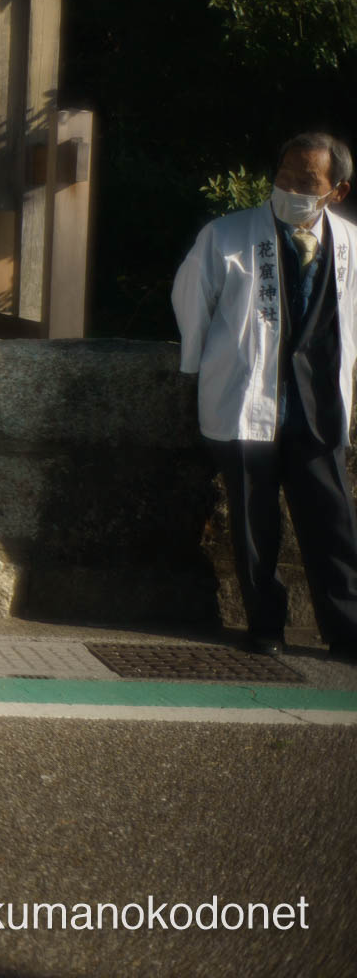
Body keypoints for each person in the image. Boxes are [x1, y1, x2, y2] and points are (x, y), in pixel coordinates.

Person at [173, 132, 357, 660]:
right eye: (284, 175)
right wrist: (198, 369)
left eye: (307, 181)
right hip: (245, 397)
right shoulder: (226, 236)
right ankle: (265, 626)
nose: (291, 188)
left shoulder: (347, 245)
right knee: (255, 522)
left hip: (319, 405)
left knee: (332, 519)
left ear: (336, 191)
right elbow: (192, 302)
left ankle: (345, 630)